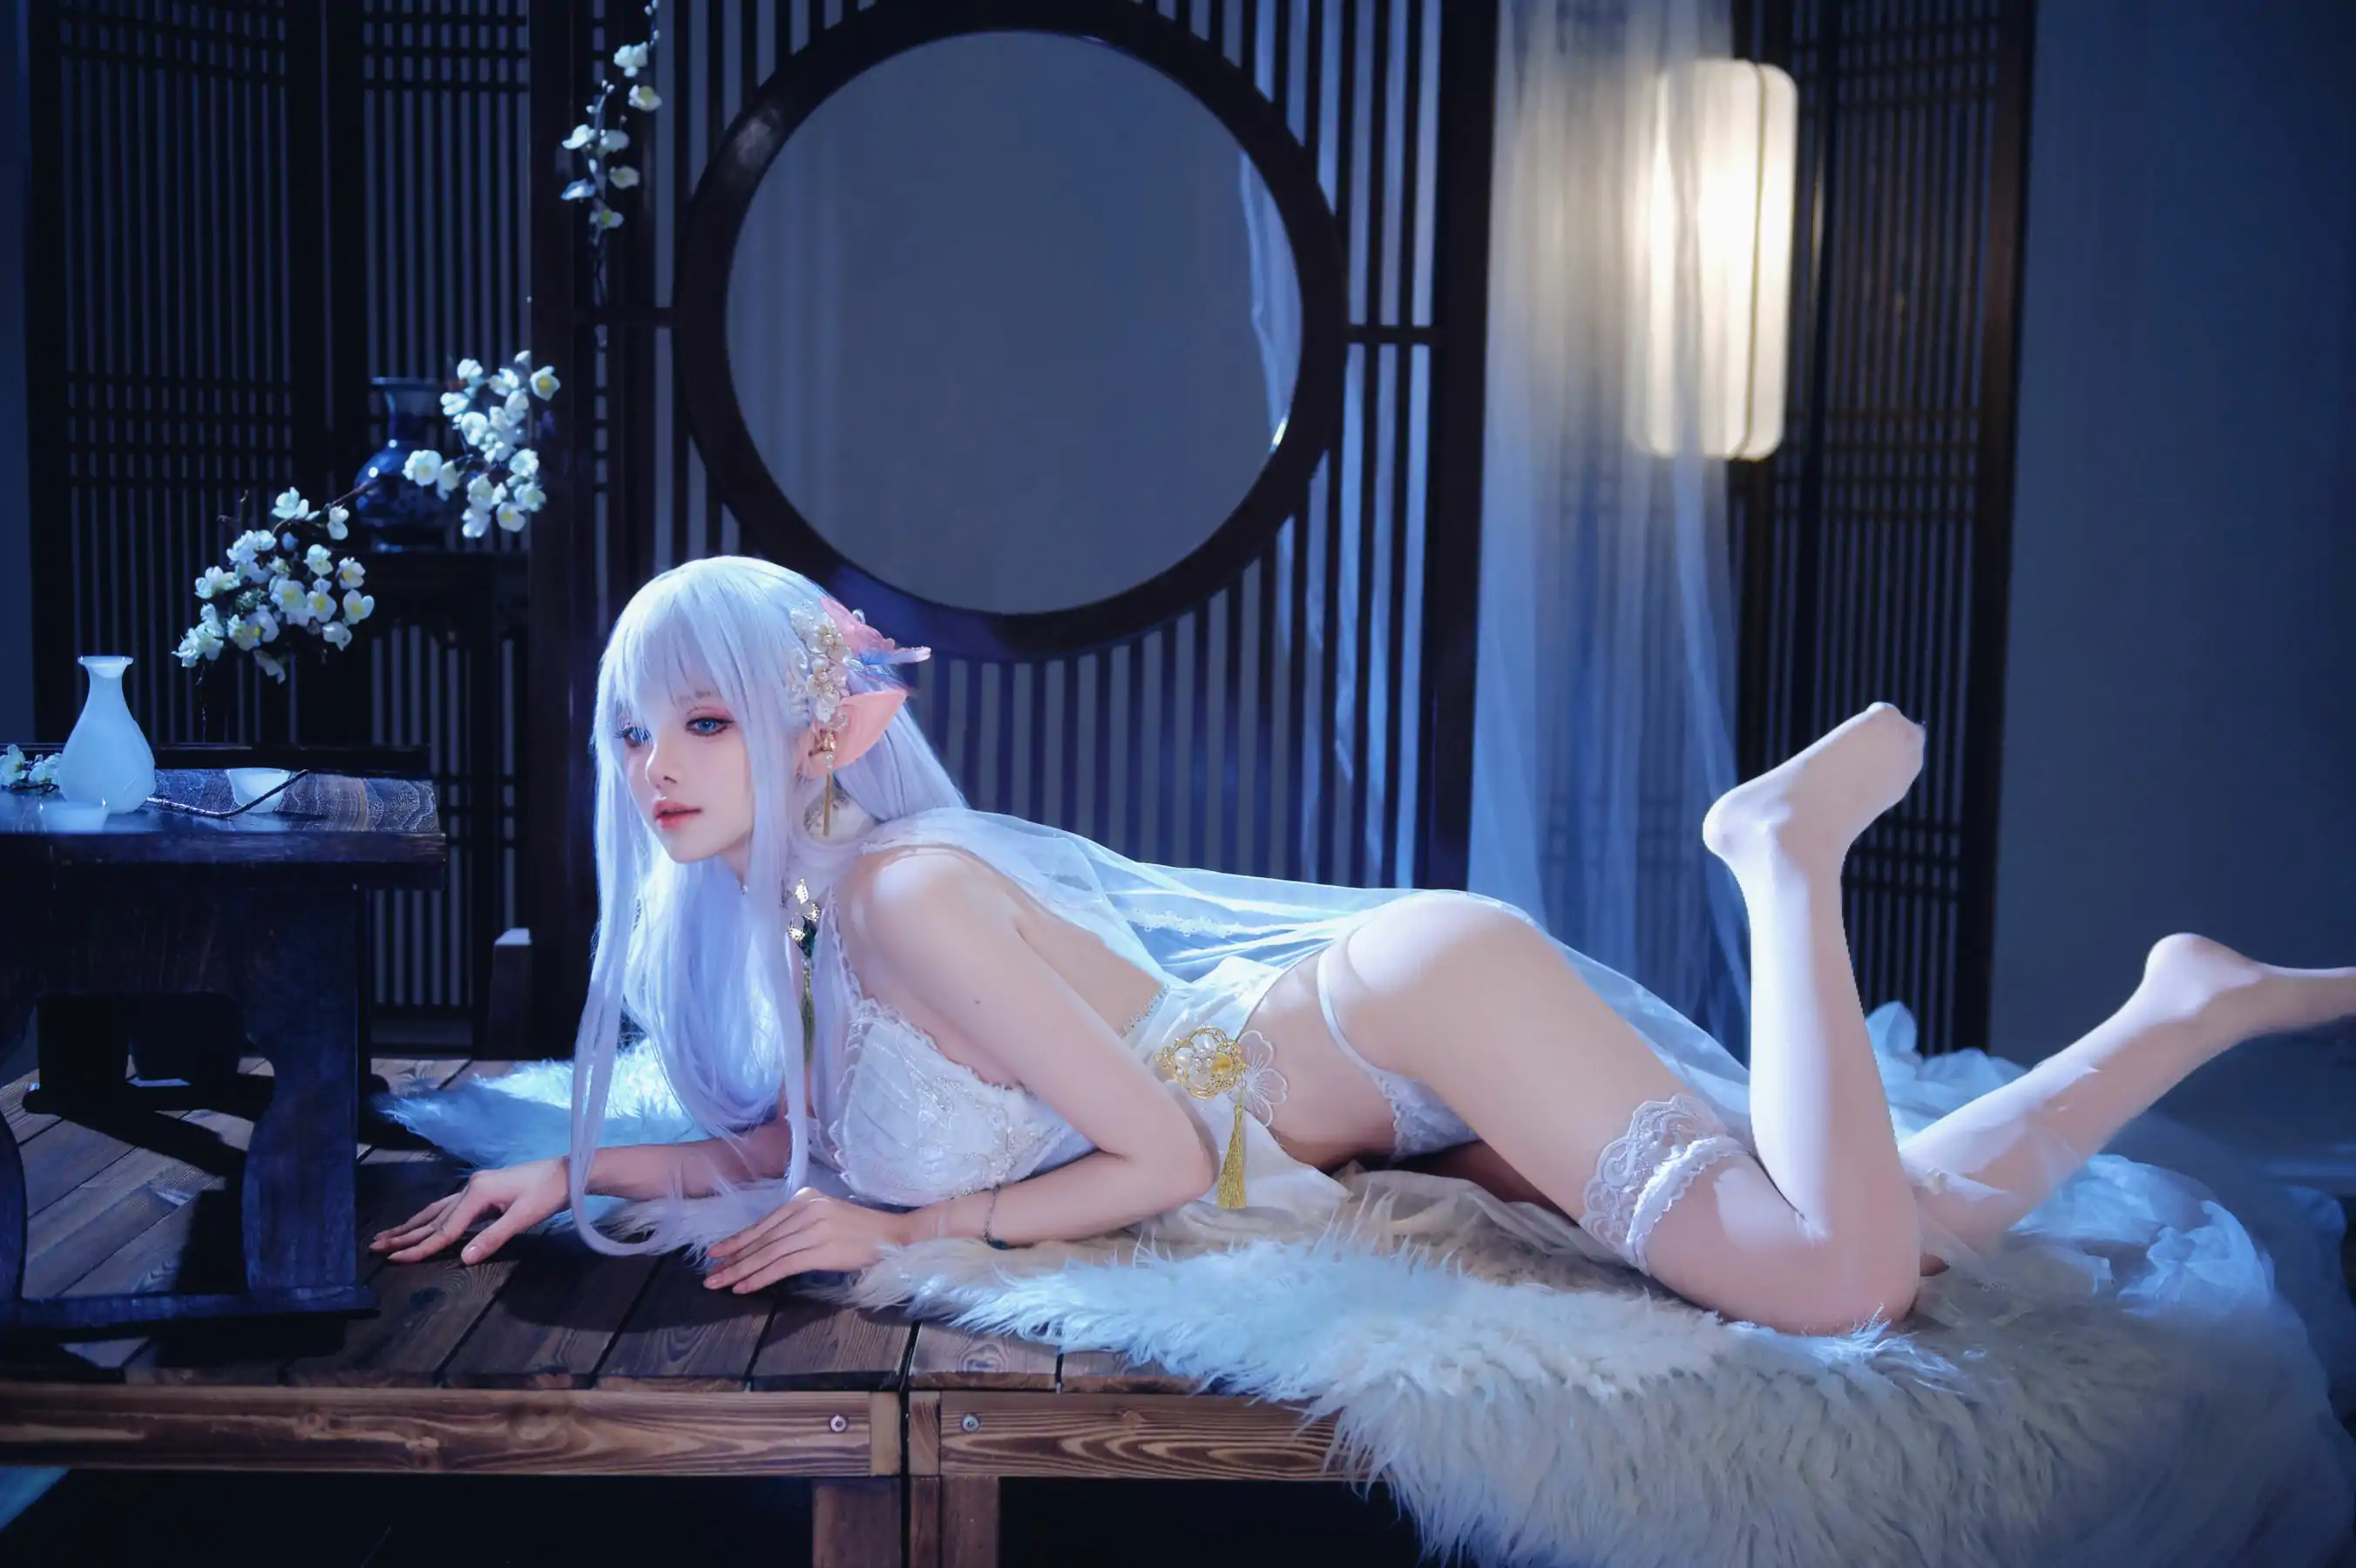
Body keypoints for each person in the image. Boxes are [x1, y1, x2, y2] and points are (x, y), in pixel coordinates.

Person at [372, 555, 2356, 1337]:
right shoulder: (808, 914)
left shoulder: (896, 894)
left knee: (1830, 1286)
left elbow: (1157, 1154)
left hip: (1403, 1017)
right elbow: (776, 1145)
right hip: (1371, 1091)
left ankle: (1779, 862)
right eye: (629, 730)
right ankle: (2179, 1011)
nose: (654, 767)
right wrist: (580, 1166)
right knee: (1891, 1229)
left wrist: (924, 1238)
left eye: (703, 720)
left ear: (823, 732)